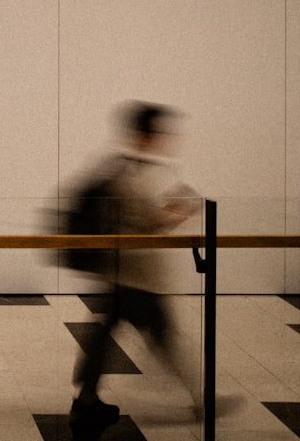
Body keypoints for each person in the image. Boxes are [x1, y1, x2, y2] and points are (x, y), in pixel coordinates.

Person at [69, 101, 201, 440]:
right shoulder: (137, 175)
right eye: (159, 132)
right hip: (137, 274)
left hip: (121, 270)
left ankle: (85, 399)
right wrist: (184, 209)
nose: (165, 139)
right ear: (146, 135)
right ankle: (202, 400)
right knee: (162, 336)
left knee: (106, 333)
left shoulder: (119, 166)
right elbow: (152, 223)